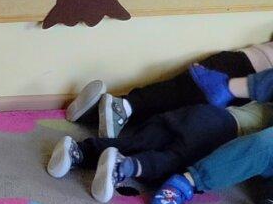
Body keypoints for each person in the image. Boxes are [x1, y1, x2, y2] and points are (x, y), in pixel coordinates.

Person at [48, 99, 273, 203]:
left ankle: (78, 151)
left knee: (139, 141)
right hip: (221, 134)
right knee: (170, 163)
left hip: (204, 113)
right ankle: (125, 166)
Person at [64, 37, 273, 139]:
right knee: (174, 109)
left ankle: (96, 112)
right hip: (245, 75)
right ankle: (120, 107)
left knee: (169, 102)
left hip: (241, 64)